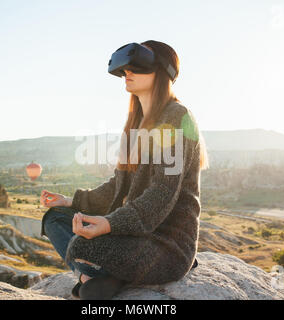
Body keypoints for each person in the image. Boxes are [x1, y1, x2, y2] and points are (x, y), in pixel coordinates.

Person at [40, 40, 209, 300]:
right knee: (56, 218)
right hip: (134, 235)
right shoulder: (135, 123)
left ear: (162, 72)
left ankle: (95, 276)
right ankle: (94, 276)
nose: (127, 72)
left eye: (138, 66)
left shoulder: (177, 117)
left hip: (166, 246)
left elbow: (162, 193)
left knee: (82, 244)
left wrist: (108, 224)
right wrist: (71, 200)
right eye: (126, 68)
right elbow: (118, 186)